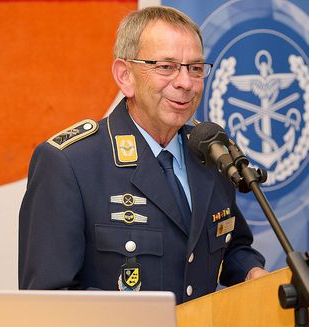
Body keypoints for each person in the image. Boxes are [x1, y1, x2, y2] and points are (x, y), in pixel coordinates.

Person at [18, 6, 267, 304]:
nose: (185, 83)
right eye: (166, 67)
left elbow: (231, 243)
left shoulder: (211, 151)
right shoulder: (70, 164)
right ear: (126, 76)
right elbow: (48, 298)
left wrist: (251, 271)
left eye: (196, 68)